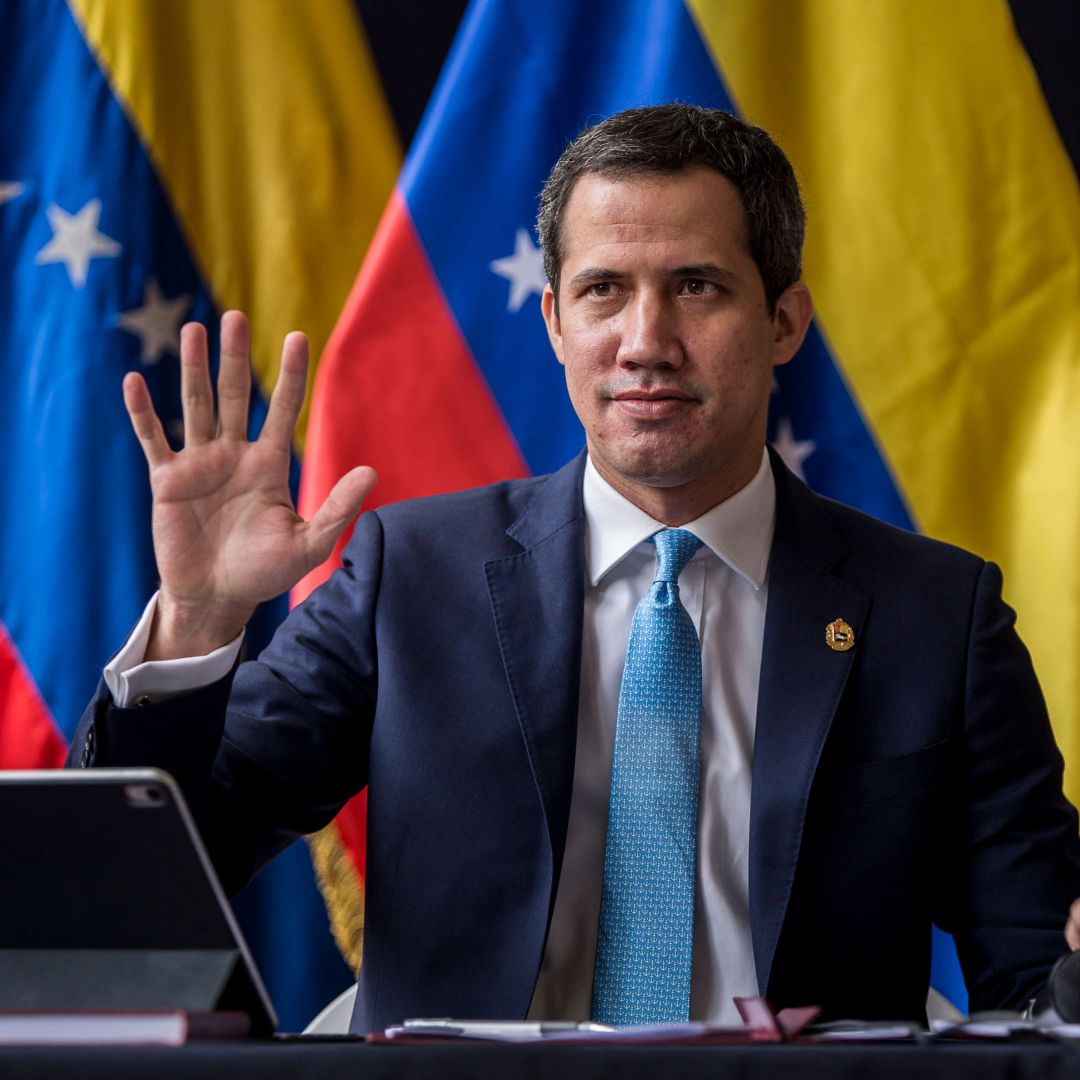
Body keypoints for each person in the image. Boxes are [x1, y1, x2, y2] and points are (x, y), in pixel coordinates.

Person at [71, 104, 1080, 1031]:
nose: (647, 343)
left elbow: (1035, 980)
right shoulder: (407, 578)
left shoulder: (937, 617)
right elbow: (148, 882)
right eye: (604, 290)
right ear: (555, 321)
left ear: (784, 321)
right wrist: (199, 622)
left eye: (697, 287)